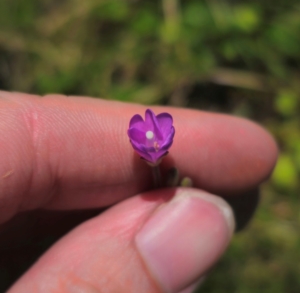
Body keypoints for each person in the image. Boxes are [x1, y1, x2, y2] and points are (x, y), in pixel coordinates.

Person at [0, 91, 277, 293]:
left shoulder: (158, 147)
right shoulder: (151, 149)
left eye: (159, 141)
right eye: (152, 142)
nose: (155, 142)